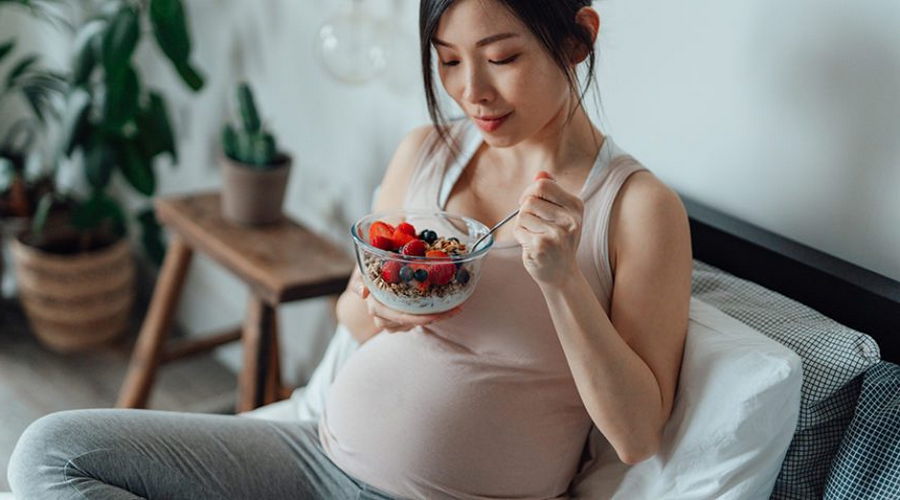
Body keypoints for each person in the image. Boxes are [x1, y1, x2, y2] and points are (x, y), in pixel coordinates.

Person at [7, 0, 691, 498]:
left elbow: (635, 435)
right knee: (53, 451)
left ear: (579, 38)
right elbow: (353, 315)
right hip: (314, 455)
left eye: (503, 58)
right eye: (448, 61)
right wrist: (385, 310)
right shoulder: (428, 154)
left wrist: (562, 280)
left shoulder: (637, 209)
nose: (471, 92)